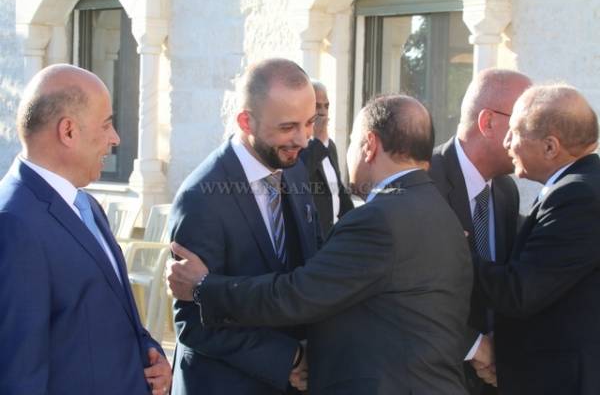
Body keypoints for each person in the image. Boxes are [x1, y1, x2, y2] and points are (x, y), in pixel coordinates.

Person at [167, 94, 473, 395]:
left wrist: (203, 287)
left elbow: (298, 293)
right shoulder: (442, 212)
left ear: (369, 145)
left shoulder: (377, 219)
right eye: (289, 126)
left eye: (350, 141)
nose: (304, 140)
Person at [0, 64, 171, 395]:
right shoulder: (13, 223)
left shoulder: (86, 205)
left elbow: (104, 313)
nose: (115, 138)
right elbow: (17, 372)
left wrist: (149, 353)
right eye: (106, 124)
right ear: (68, 131)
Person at [167, 58, 321, 395]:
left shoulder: (295, 168)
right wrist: (289, 360)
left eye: (310, 122)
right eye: (287, 127)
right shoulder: (200, 198)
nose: (303, 139)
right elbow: (192, 322)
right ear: (245, 121)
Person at [474, 84, 600, 394]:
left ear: (550, 147)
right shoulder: (579, 185)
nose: (506, 142)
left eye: (515, 132)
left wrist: (453, 252)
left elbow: (520, 292)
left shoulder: (578, 195)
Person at [428, 68, 532, 393]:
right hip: (431, 375)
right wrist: (473, 346)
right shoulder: (424, 183)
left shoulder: (506, 191)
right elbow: (402, 288)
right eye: (526, 124)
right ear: (487, 123)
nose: (534, 135)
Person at [299, 80, 353, 235]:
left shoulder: (329, 145)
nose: (323, 112)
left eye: (326, 106)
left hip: (334, 234)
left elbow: (337, 189)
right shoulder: (296, 146)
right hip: (312, 236)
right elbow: (298, 178)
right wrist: (318, 140)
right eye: (317, 106)